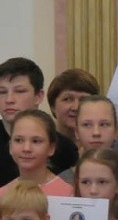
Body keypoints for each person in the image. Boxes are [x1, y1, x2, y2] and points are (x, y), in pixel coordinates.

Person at [0, 57, 78, 185]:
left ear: (39, 96)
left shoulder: (65, 148)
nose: (9, 99)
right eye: (2, 92)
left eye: (19, 91)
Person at [62, 96, 118, 184]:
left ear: (115, 130)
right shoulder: (62, 182)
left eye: (104, 124)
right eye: (87, 125)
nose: (96, 132)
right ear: (76, 132)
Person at [0, 110, 74, 198]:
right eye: (18, 140)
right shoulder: (3, 195)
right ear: (10, 146)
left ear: (51, 148)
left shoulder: (68, 195)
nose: (26, 148)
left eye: (36, 141)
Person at [46, 68, 99, 149]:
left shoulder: (103, 144)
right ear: (53, 106)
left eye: (83, 100)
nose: (76, 107)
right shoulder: (42, 142)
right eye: (67, 99)